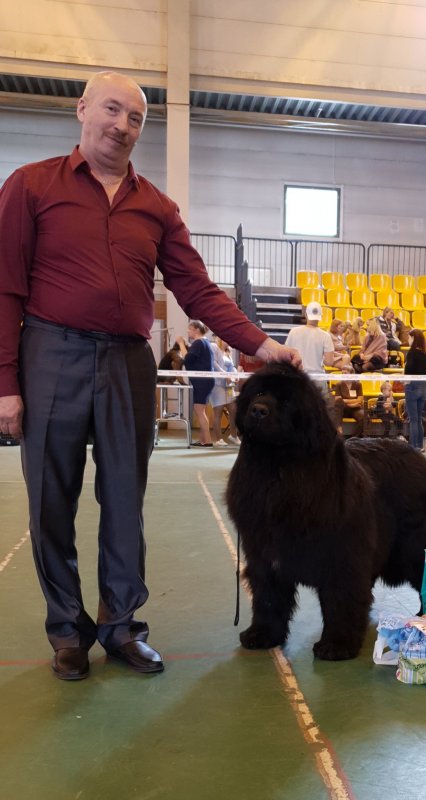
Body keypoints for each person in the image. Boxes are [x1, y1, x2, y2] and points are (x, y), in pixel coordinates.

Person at [0, 71, 299, 682]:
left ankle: (122, 627)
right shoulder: (29, 187)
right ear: (82, 109)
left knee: (124, 502)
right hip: (49, 353)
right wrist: (6, 383)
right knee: (49, 504)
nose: (122, 126)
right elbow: (4, 288)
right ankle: (67, 631)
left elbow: (196, 289)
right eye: (112, 110)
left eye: (135, 118)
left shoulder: (156, 206)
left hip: (127, 362)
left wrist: (262, 344)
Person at [176, 321, 216, 447]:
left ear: (196, 330)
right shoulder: (204, 342)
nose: (188, 331)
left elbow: (187, 358)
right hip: (205, 381)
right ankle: (203, 439)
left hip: (202, 381)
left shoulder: (198, 343)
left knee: (199, 410)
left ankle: (208, 440)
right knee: (200, 410)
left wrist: (181, 344)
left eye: (190, 329)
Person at [284, 302, 335, 390]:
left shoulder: (294, 332)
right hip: (317, 378)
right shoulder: (325, 336)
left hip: (298, 376)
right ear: (321, 316)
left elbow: (286, 355)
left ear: (306, 314)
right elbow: (329, 362)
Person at [208, 337, 241, 446]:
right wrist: (225, 374)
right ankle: (218, 440)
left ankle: (233, 436)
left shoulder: (228, 351)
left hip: (229, 385)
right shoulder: (214, 347)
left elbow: (232, 367)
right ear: (220, 339)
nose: (229, 342)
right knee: (218, 412)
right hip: (217, 385)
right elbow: (213, 363)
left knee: (234, 410)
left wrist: (236, 375)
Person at [404, 329, 426, 450]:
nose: (408, 340)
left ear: (413, 338)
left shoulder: (411, 353)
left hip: (413, 387)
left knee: (413, 420)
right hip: (424, 387)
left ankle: (413, 447)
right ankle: (420, 445)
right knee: (419, 419)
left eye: (409, 338)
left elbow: (408, 371)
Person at [332, 365, 365, 437]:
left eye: (345, 373)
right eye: (342, 373)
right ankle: (338, 430)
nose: (343, 375)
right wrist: (352, 404)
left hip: (355, 409)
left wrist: (345, 401)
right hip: (344, 408)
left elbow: (360, 399)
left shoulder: (358, 384)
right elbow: (338, 400)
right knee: (337, 406)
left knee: (363, 416)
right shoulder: (339, 384)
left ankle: (355, 437)